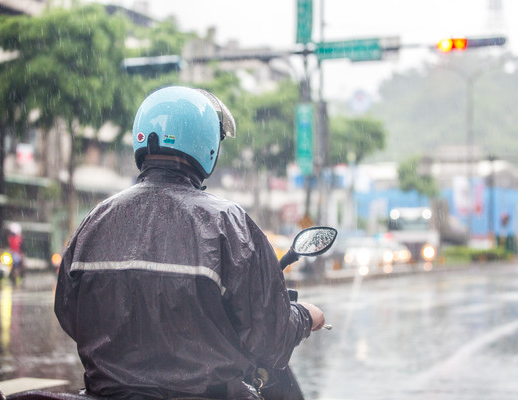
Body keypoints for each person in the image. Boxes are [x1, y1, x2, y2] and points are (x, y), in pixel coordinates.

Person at [54, 86, 325, 400]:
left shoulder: (95, 220)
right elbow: (269, 341)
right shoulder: (229, 223)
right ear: (207, 143)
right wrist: (306, 316)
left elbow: (68, 313)